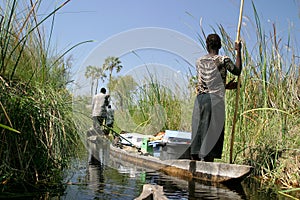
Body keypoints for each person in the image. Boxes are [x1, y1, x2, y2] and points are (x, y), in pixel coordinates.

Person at [191, 33, 242, 162]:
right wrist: (238, 51)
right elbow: (237, 71)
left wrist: (226, 86)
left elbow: (209, 82)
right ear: (219, 45)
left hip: (200, 100)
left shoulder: (199, 61)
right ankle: (208, 162)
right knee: (213, 131)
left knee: (199, 131)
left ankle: (195, 160)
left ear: (207, 46)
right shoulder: (223, 59)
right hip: (215, 100)